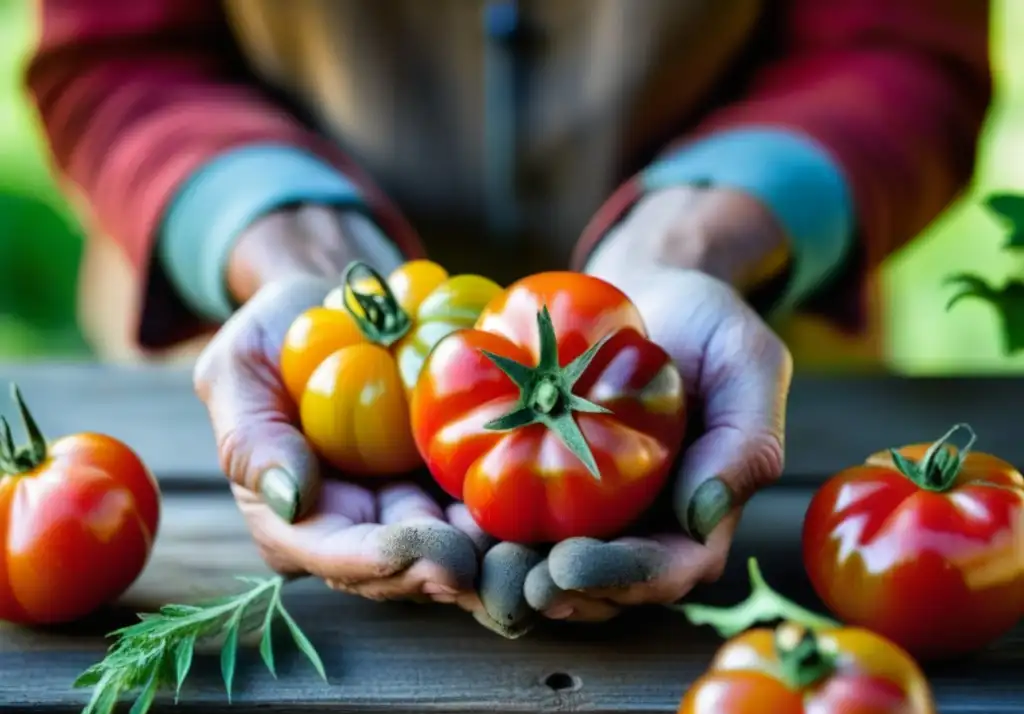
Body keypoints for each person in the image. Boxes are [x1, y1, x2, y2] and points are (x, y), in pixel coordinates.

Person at [25, 0, 990, 636]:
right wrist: (285, 243)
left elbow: (902, 50)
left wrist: (694, 244)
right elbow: (115, 53)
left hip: (750, 371)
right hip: (245, 347)